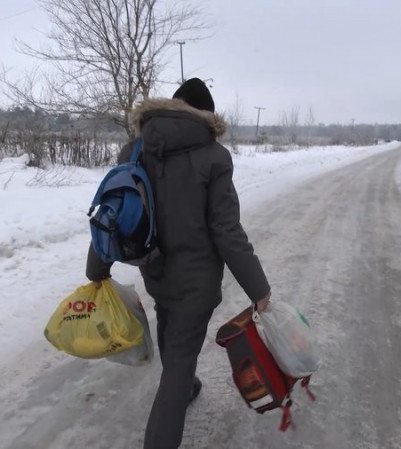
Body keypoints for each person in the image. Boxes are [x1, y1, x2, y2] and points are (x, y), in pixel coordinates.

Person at [86, 78, 271, 449]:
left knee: (171, 328)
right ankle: (173, 403)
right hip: (197, 281)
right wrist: (259, 288)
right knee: (180, 359)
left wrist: (98, 268)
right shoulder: (214, 156)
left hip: (154, 269)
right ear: (206, 115)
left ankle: (185, 387)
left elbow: (112, 210)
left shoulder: (135, 150)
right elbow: (226, 230)